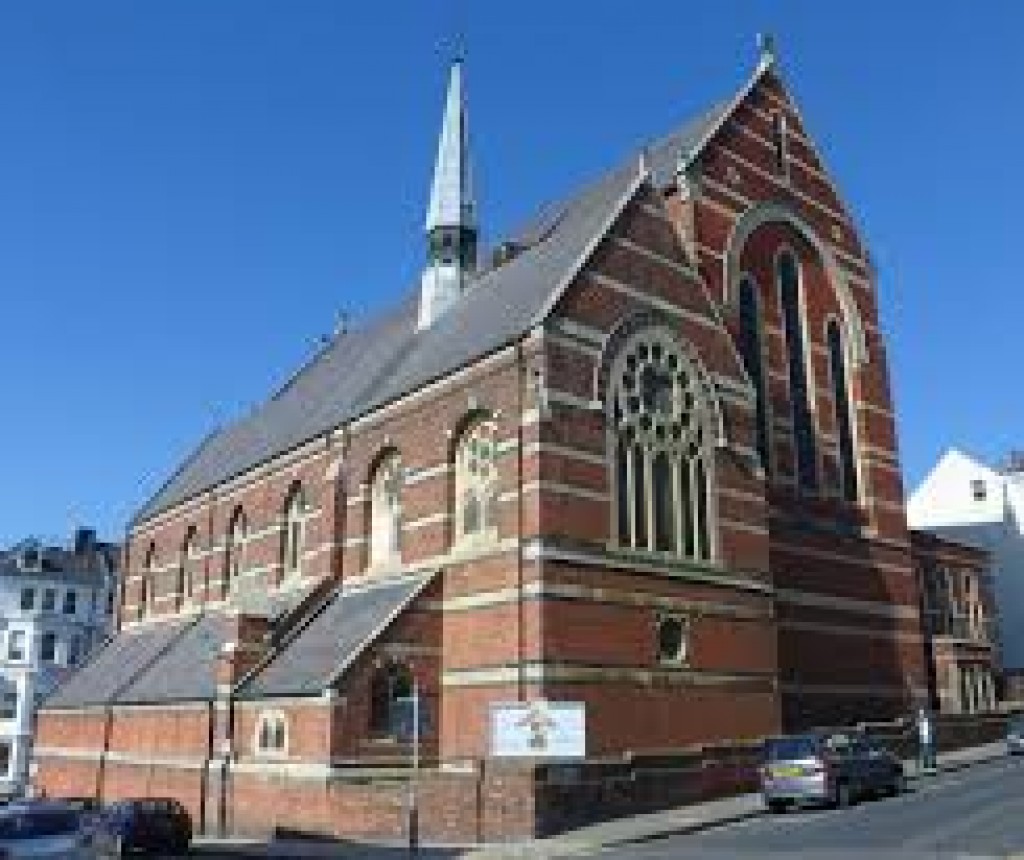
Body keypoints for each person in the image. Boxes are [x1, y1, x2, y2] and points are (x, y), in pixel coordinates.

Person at [916, 707, 937, 775]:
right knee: (924, 755)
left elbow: (932, 730)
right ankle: (926, 768)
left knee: (930, 754)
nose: (921, 715)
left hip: (929, 740)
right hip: (923, 740)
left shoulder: (928, 721)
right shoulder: (919, 723)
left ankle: (933, 768)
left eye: (922, 713)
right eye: (920, 714)